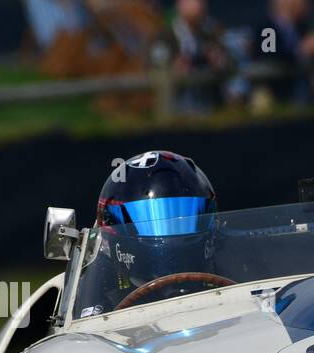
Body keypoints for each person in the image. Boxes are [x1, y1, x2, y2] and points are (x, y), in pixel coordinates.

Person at [81, 149, 221, 315]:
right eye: (151, 218)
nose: (170, 235)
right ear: (112, 224)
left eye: (183, 216)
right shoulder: (99, 298)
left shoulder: (234, 264)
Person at [251, 0, 314, 107]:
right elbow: (269, 55)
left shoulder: (302, 26)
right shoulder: (267, 28)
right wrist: (300, 50)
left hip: (303, 83)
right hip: (276, 85)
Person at [169, 0, 237, 110]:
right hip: (178, 109)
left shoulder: (210, 34)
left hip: (211, 105)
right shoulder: (166, 37)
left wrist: (220, 61)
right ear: (179, 5)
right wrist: (175, 68)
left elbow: (232, 63)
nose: (197, 5)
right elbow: (153, 71)